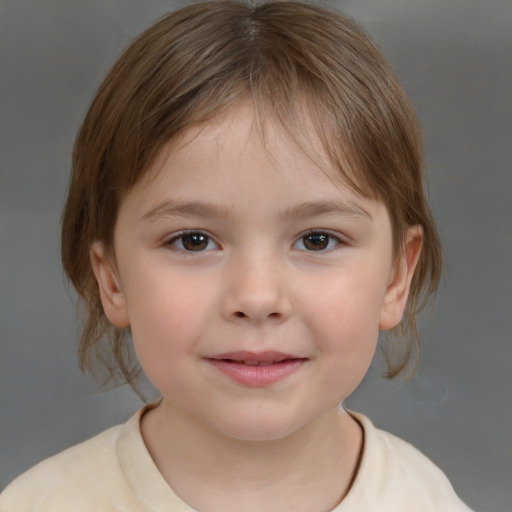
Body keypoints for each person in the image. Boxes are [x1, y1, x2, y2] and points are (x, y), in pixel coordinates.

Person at [0, 1, 474, 510]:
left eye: (317, 240)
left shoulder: (426, 500)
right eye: (193, 240)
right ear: (112, 278)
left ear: (396, 277)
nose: (256, 297)